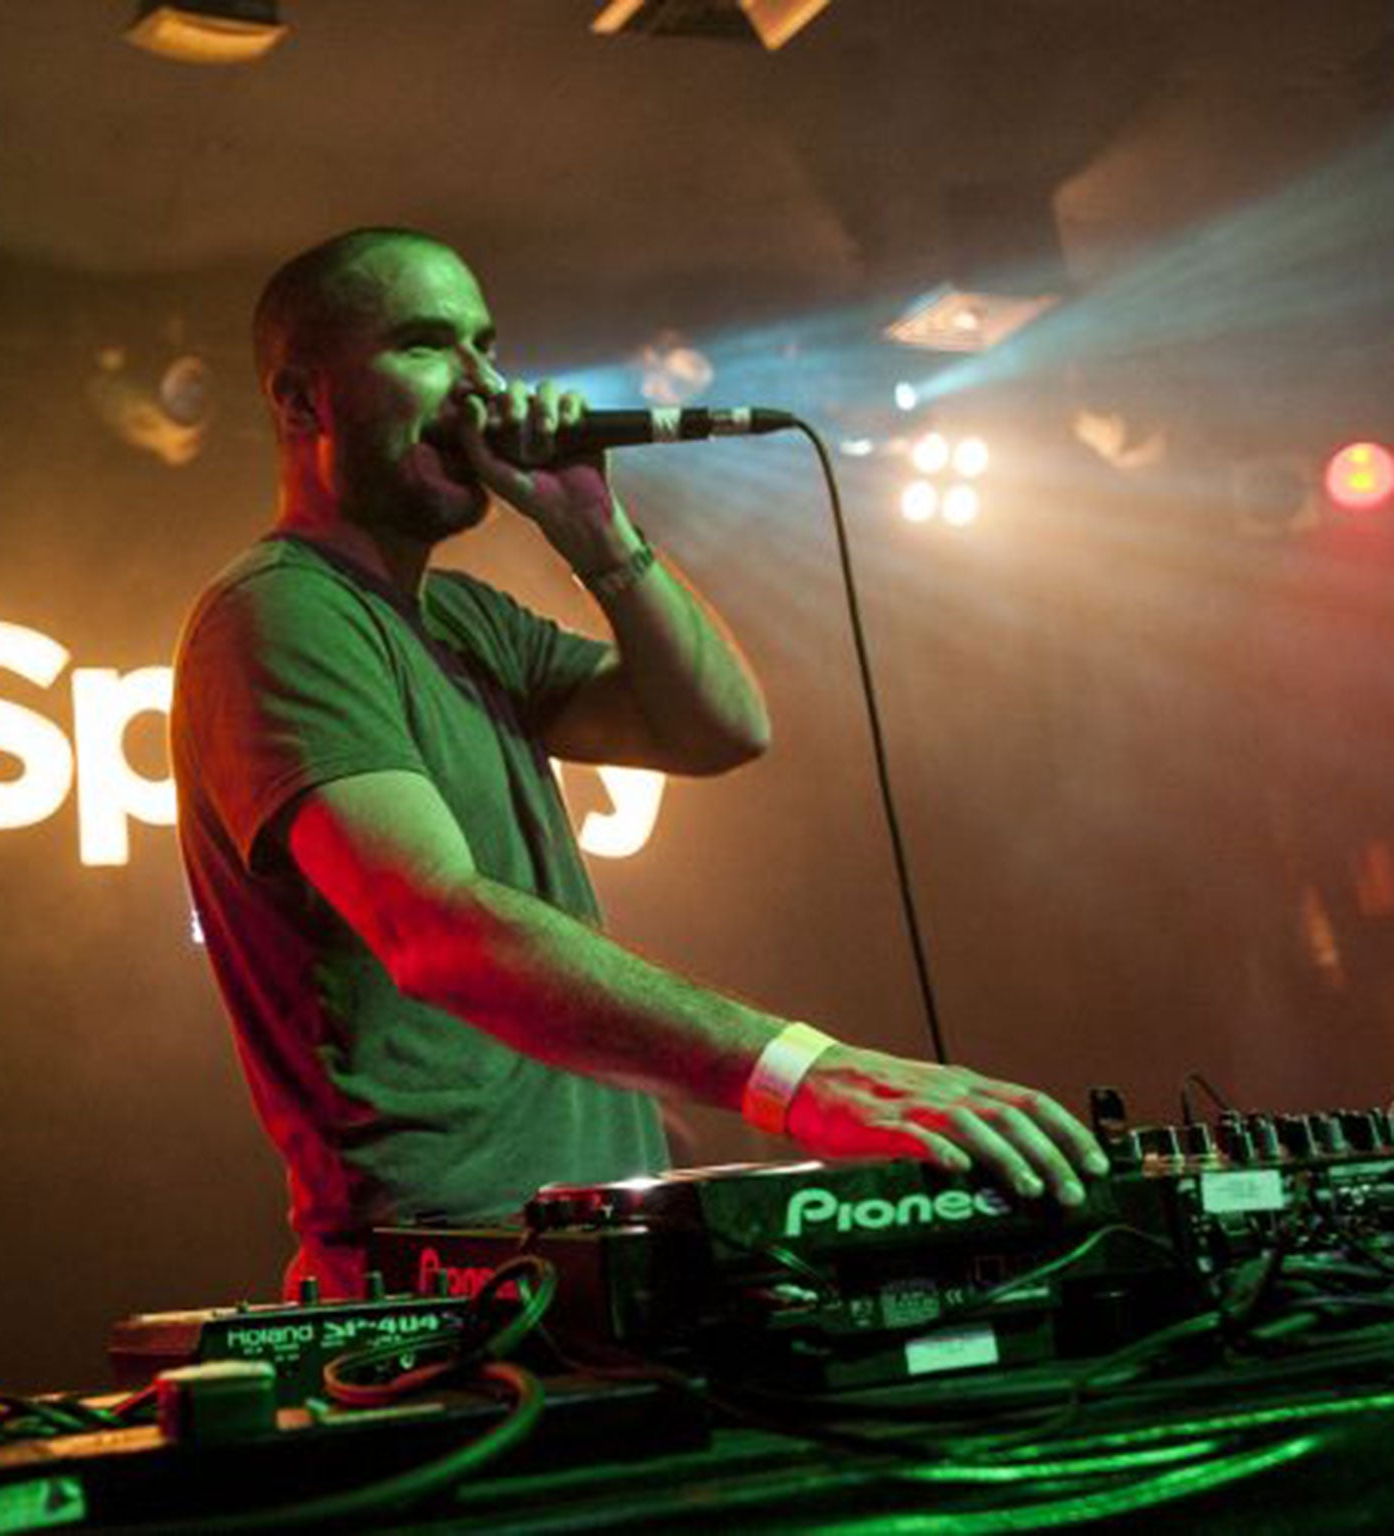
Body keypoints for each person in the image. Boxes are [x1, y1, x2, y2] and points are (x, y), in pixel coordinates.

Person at [170, 227, 1106, 1297]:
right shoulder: (282, 612)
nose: (481, 386)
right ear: (302, 403)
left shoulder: (463, 619)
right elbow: (435, 930)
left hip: (575, 1250)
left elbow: (715, 728)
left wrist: (597, 534)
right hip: (452, 1279)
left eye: (486, 345)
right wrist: (802, 1075)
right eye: (426, 347)